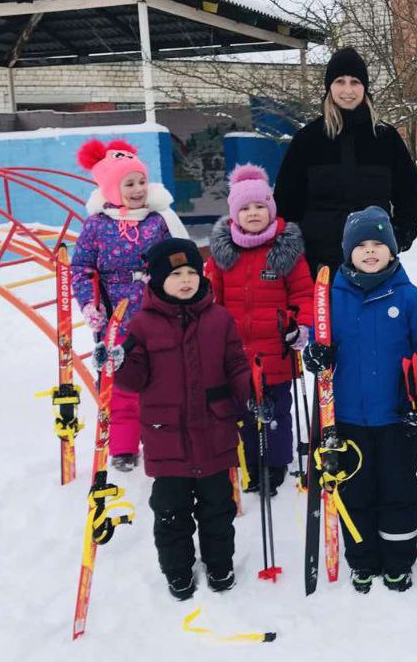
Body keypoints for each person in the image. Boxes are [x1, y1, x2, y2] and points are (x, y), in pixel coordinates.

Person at [301, 206, 417, 593]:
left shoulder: (411, 299)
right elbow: (317, 343)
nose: (369, 251)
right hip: (347, 418)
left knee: (398, 490)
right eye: (360, 245)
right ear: (348, 252)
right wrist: (314, 355)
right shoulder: (330, 298)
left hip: (396, 417)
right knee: (355, 490)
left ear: (393, 251)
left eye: (378, 244)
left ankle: (398, 561)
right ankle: (362, 560)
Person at [111, 238, 254, 600]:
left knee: (218, 510)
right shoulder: (142, 326)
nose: (187, 279)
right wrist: (118, 361)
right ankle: (177, 570)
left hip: (214, 433)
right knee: (171, 513)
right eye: (176, 274)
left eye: (192, 271)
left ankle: (220, 565)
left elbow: (236, 364)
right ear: (158, 280)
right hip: (166, 438)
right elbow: (132, 380)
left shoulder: (219, 319)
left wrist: (253, 393)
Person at [72, 138, 188, 473]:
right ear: (111, 188)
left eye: (141, 182)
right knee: (122, 383)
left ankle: (159, 440)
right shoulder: (96, 225)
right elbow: (82, 268)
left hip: (158, 314)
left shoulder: (158, 220)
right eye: (129, 183)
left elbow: (177, 258)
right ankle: (123, 447)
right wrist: (89, 304)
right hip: (116, 319)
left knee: (161, 382)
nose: (137, 190)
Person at [205, 164, 314, 496]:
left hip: (275, 349)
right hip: (235, 353)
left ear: (271, 209)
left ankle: (276, 462)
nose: (253, 213)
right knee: (242, 411)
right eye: (245, 208)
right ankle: (250, 461)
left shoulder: (287, 252)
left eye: (259, 207)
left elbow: (303, 294)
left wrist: (301, 326)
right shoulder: (223, 254)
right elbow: (212, 297)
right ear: (234, 214)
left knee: (276, 410)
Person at [273, 47, 417, 271]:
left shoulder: (385, 138)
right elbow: (286, 202)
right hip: (319, 264)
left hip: (376, 263)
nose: (347, 90)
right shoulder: (308, 139)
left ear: (365, 87)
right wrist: (295, 247)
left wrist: (401, 234)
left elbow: (409, 192)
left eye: (355, 82)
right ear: (329, 87)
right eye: (340, 81)